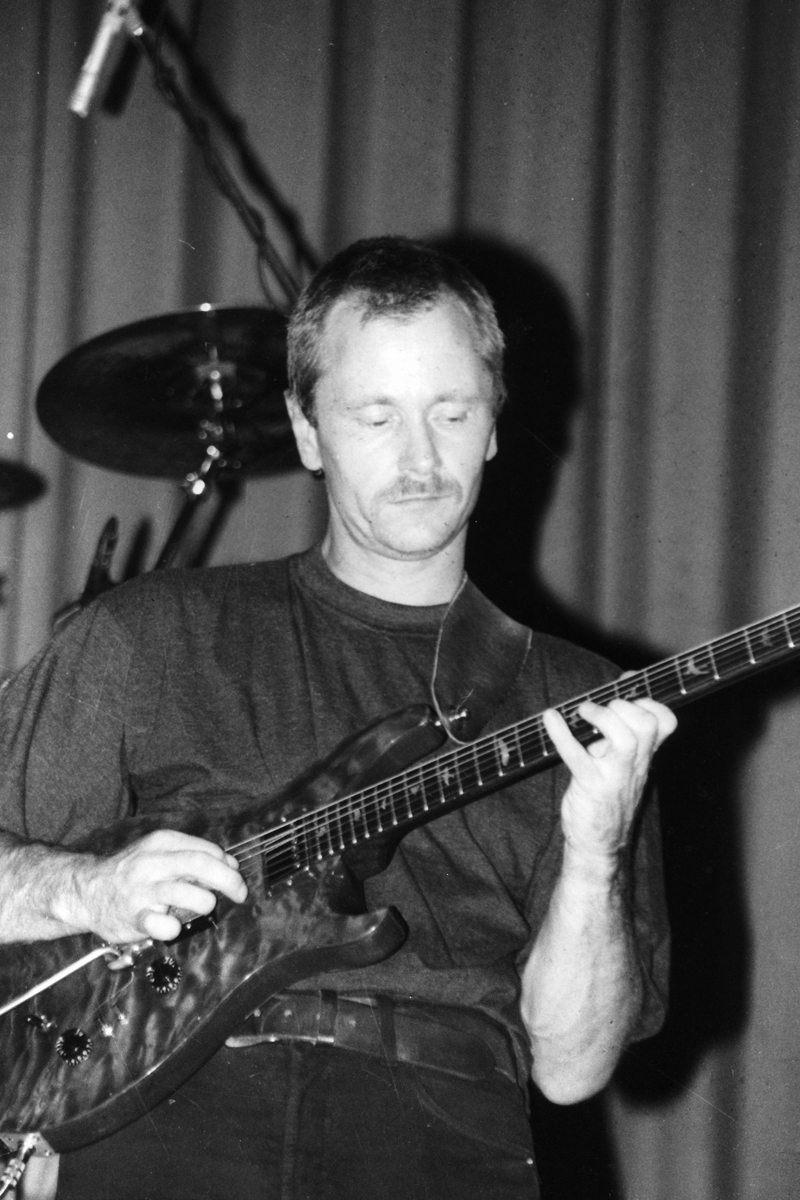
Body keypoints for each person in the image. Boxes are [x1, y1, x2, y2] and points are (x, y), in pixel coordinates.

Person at [0, 236, 675, 1199]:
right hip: (167, 1110)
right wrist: (87, 888)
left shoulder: (583, 703)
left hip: (442, 1129)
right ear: (308, 432)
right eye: (375, 416)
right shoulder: (148, 635)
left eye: (452, 412)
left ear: (494, 423)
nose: (421, 458)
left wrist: (597, 853)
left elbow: (571, 1068)